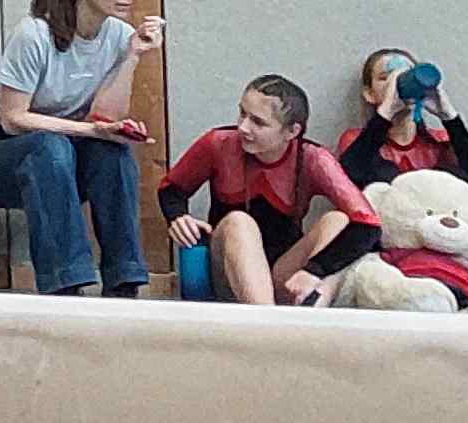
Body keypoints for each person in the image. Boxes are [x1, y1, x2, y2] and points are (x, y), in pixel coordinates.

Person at [0, 0, 158, 296]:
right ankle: (65, 286)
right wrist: (88, 130)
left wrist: (132, 57)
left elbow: (104, 118)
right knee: (50, 148)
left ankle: (124, 282)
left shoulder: (120, 35)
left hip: (62, 157)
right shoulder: (34, 35)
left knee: (112, 153)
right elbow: (13, 119)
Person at [159, 75, 377, 307]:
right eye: (242, 113)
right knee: (239, 222)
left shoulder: (312, 159)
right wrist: (178, 217)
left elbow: (368, 224)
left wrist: (316, 270)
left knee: (338, 220)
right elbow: (171, 189)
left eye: (258, 122)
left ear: (292, 131)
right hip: (228, 271)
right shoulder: (218, 143)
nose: (243, 127)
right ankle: (265, 318)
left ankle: (313, 310)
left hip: (284, 274)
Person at [335, 48, 468, 189]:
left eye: (407, 75)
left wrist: (450, 118)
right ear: (370, 94)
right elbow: (347, 184)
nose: (395, 85)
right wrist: (386, 113)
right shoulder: (355, 140)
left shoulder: (441, 141)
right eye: (385, 78)